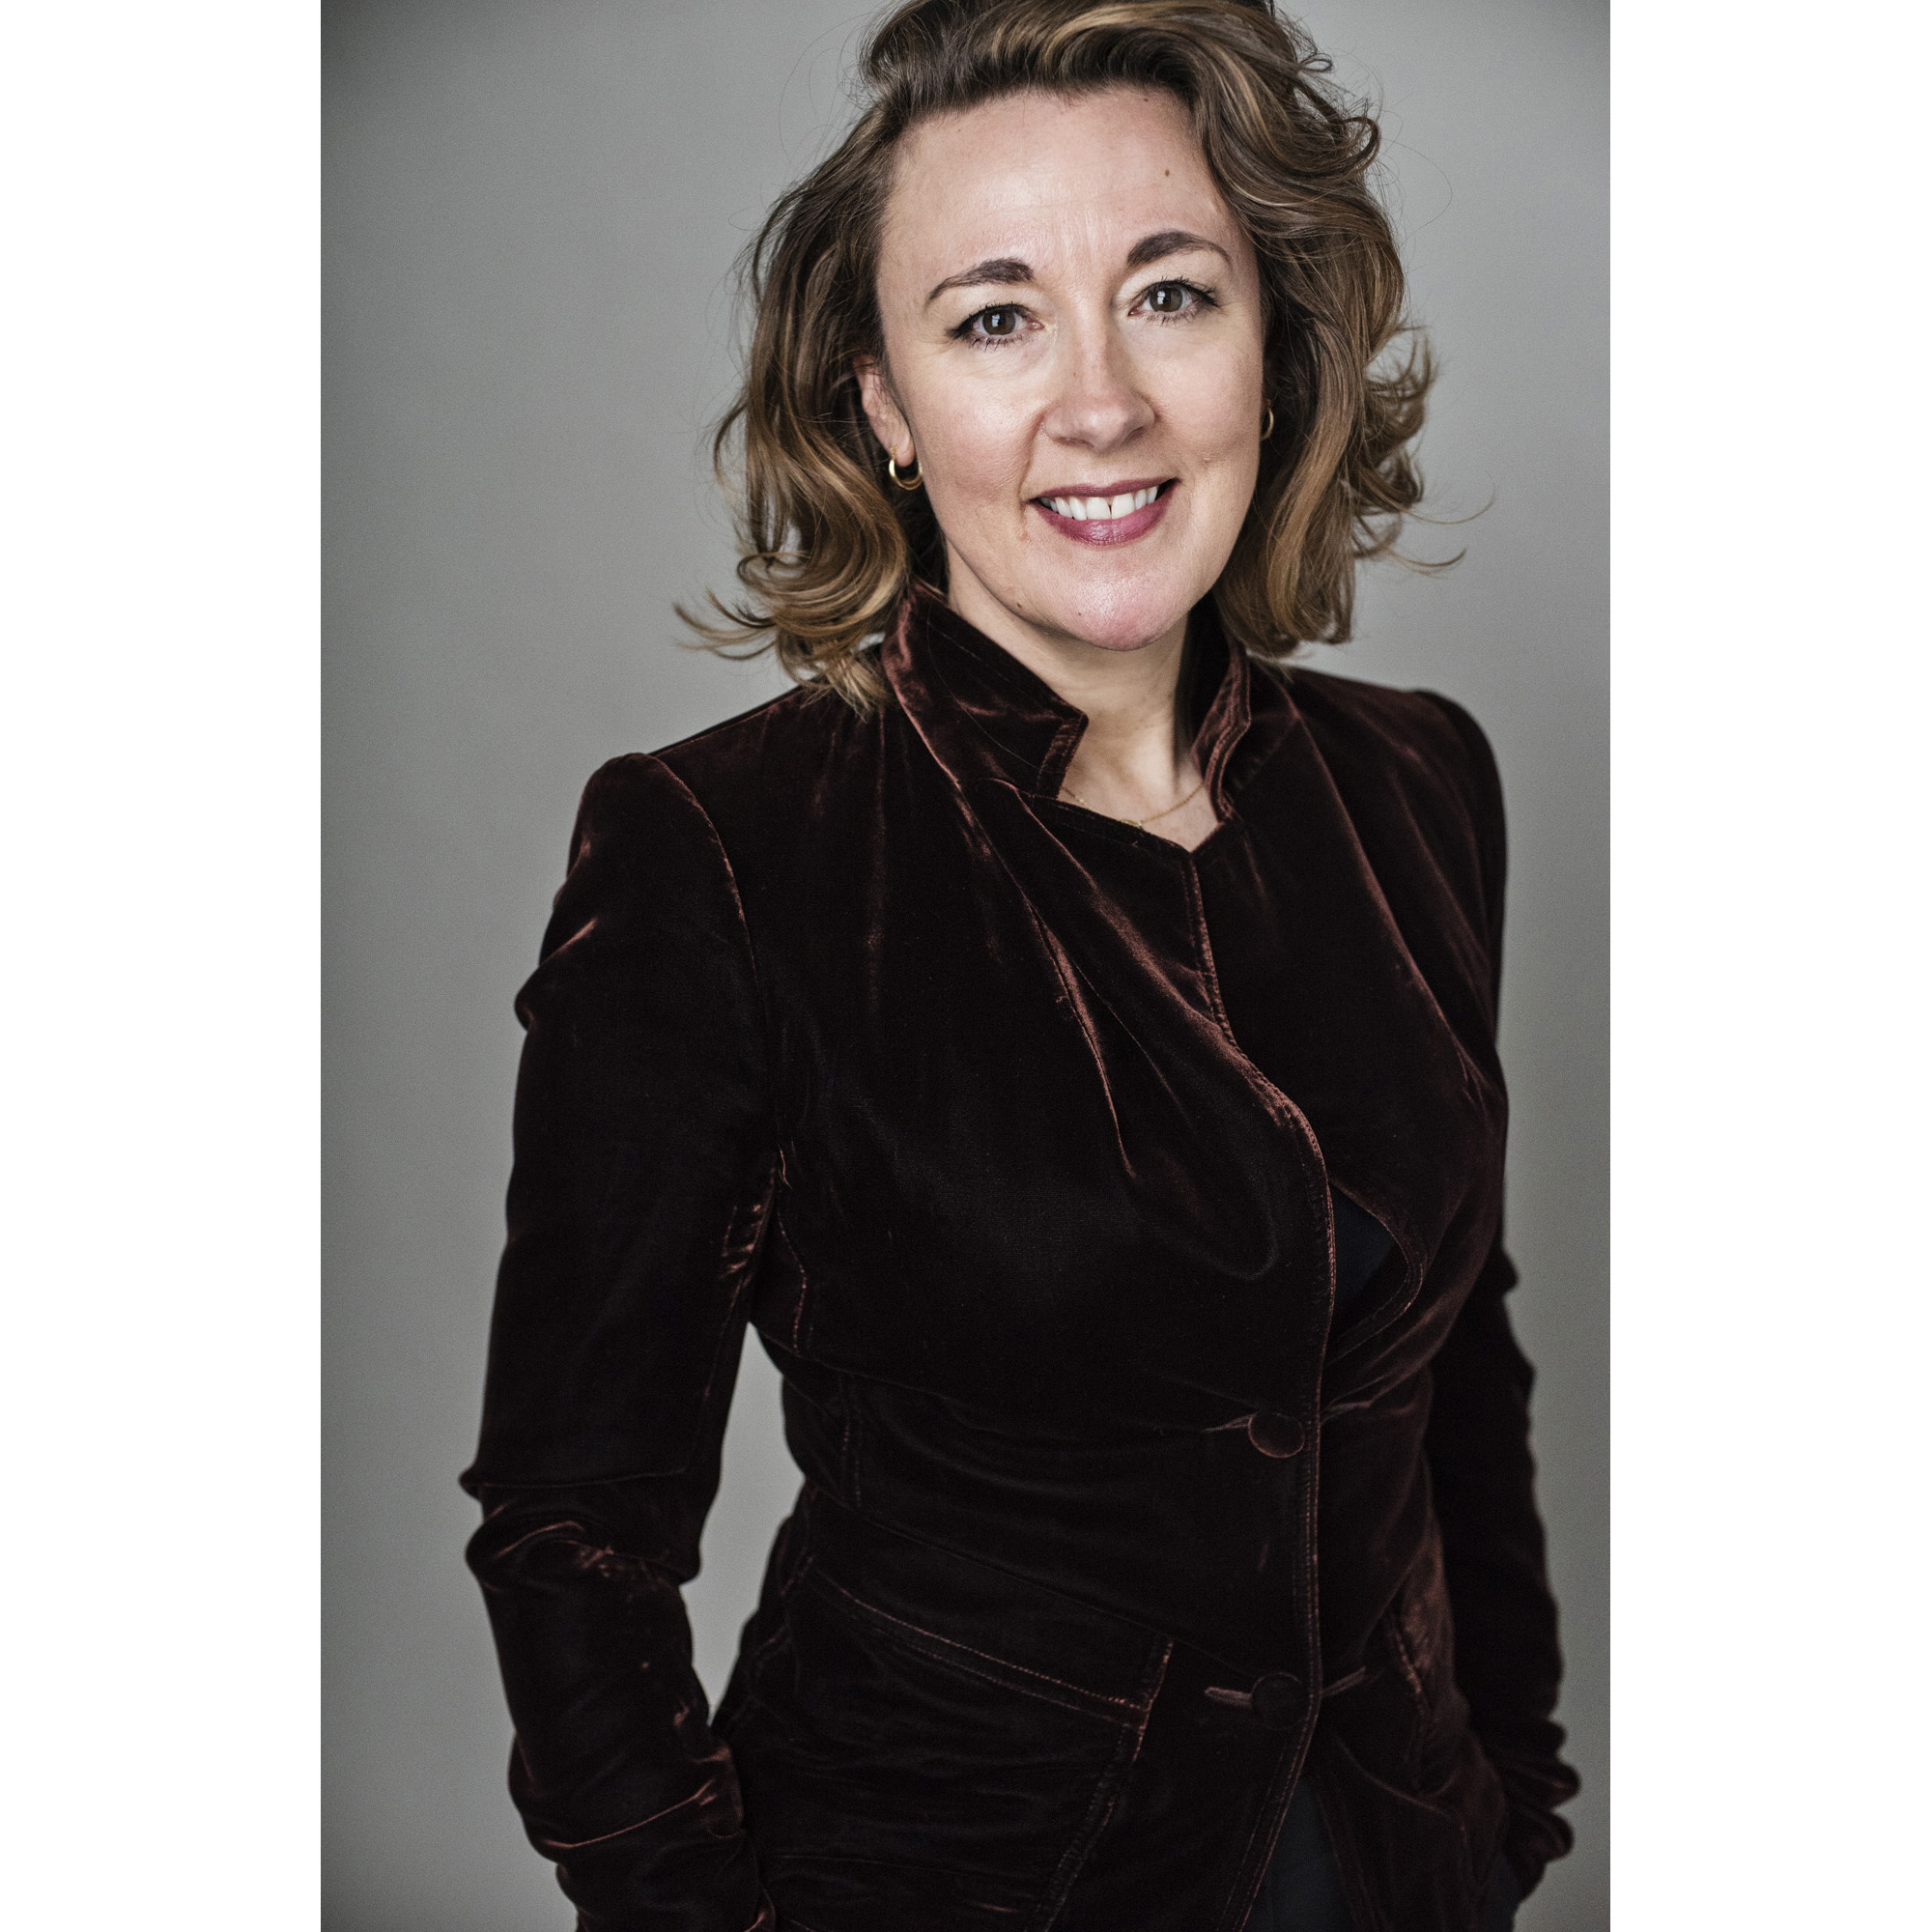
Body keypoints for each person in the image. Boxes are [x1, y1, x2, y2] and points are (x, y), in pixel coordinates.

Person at [460, 3, 1579, 1928]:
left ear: (1273, 339)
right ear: (883, 404)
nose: (1101, 403)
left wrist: (1510, 1802)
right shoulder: (720, 850)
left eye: (1170, 294)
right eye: (995, 319)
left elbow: (1452, 1349)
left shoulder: (1418, 782)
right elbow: (575, 1532)